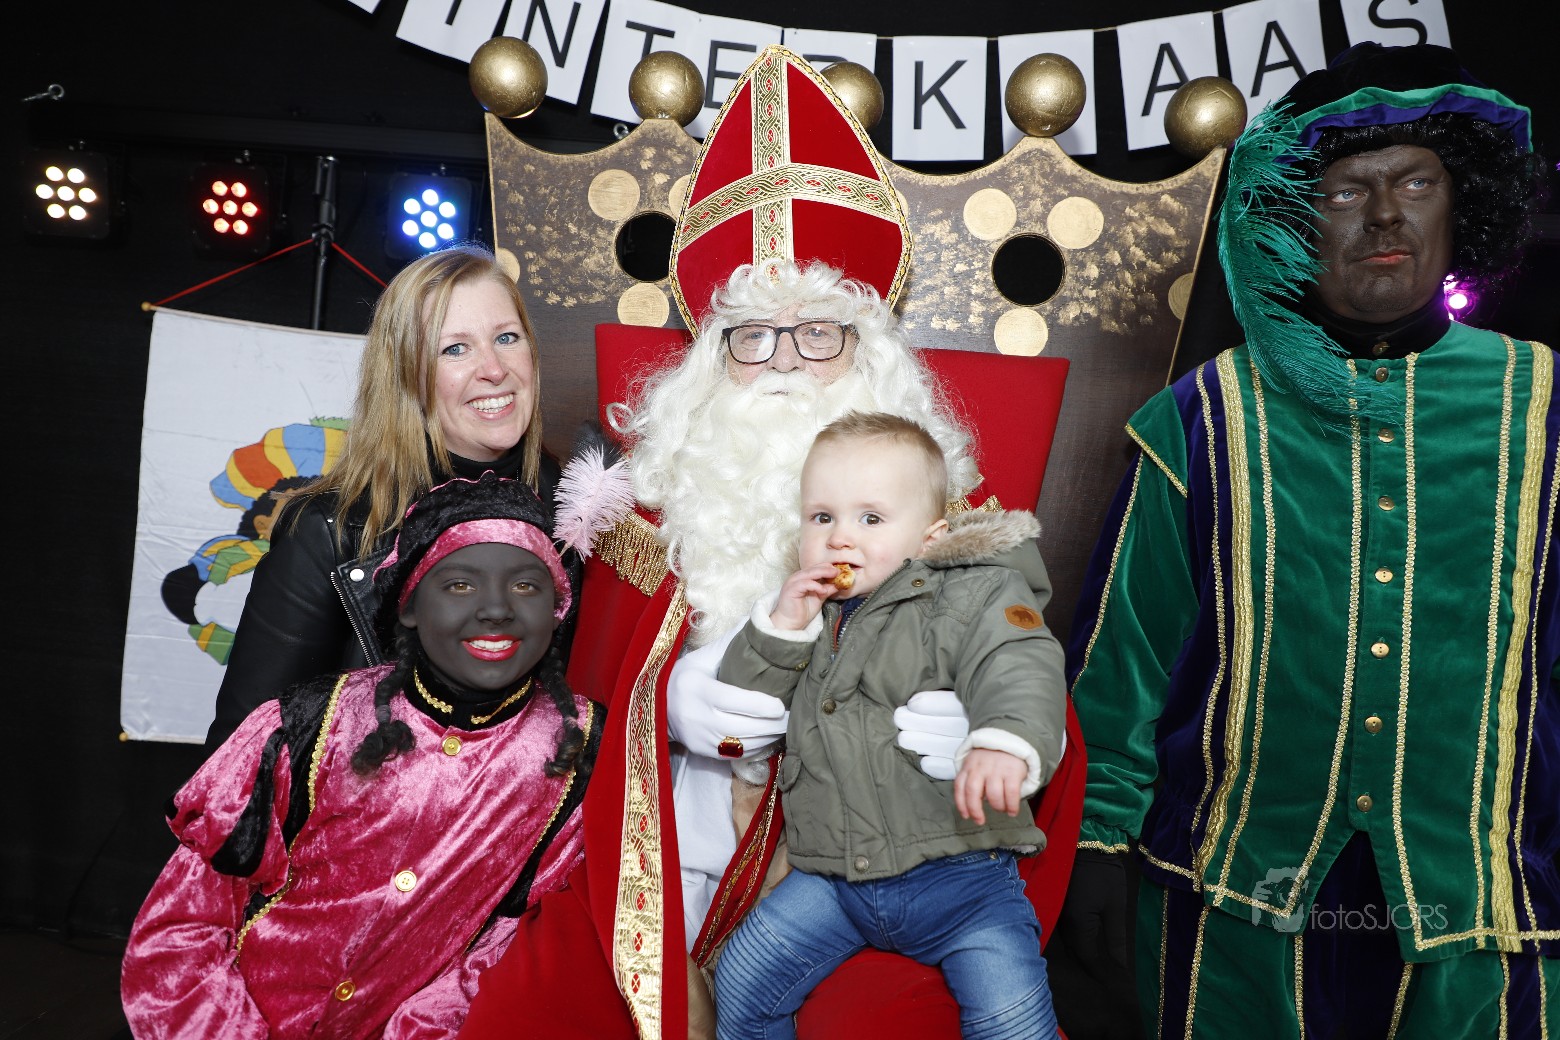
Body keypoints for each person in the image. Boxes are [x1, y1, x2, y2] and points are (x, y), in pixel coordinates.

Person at [459, 47, 1083, 1040]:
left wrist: (987, 730)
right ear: (715, 358)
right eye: (754, 335)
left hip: (877, 871)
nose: (785, 362)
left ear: (869, 350)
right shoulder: (651, 506)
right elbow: (579, 696)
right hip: (662, 861)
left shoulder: (952, 515)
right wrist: (665, 706)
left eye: (818, 332)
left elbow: (1027, 664)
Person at [1063, 42, 1553, 1037]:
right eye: (1346, 191)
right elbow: (1125, 657)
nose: (1386, 215)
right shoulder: (1202, 414)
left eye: (1416, 182)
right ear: (1295, 222)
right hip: (1229, 911)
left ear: (1458, 203)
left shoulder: (1545, 404)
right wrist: (1097, 842)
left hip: (1484, 910)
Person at [122, 472, 599, 1038]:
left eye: (525, 586)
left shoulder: (579, 754)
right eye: (459, 585)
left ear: (559, 607)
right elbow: (185, 923)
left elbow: (509, 947)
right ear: (409, 605)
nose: (496, 608)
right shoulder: (309, 725)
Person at [713, 412, 1064, 1040]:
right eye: (822, 517)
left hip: (962, 876)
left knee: (1010, 1018)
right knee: (741, 978)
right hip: (834, 876)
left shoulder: (970, 595)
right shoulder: (813, 612)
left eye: (871, 519)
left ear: (929, 537)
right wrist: (782, 630)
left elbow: (1019, 660)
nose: (840, 539)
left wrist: (1003, 738)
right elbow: (747, 708)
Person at [206, 243, 564, 751]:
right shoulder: (329, 533)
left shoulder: (576, 517)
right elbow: (244, 754)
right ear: (406, 376)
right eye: (454, 349)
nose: (494, 368)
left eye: (507, 338)